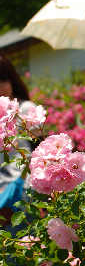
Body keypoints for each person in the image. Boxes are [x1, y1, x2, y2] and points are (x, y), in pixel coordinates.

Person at [0, 56, 39, 234]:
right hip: (2, 191)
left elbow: (40, 148)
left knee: (20, 249)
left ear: (12, 80)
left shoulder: (25, 109)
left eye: (2, 80)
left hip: (21, 191)